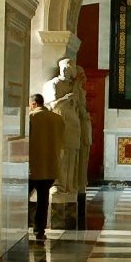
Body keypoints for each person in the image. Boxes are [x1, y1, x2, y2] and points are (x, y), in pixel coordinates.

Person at [28, 93, 64, 240]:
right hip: (50, 166)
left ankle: (20, 227)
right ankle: (40, 231)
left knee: (22, 198)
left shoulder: (31, 117)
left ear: (34, 104)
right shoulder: (58, 119)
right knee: (43, 201)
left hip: (33, 166)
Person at [42, 57, 81, 194]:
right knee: (60, 155)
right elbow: (52, 105)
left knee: (71, 156)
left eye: (68, 69)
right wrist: (66, 98)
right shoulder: (54, 84)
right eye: (63, 69)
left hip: (72, 124)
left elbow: (77, 106)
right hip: (59, 122)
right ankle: (58, 185)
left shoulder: (73, 86)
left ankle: (69, 185)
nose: (65, 72)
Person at [74, 67, 92, 194]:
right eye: (82, 75)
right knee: (78, 160)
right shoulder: (75, 91)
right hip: (79, 128)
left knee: (83, 159)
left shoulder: (80, 90)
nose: (84, 78)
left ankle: (81, 183)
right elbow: (79, 107)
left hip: (84, 128)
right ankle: (79, 184)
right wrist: (85, 115)